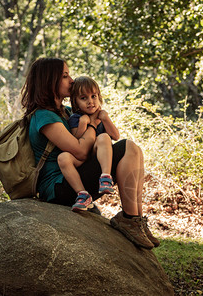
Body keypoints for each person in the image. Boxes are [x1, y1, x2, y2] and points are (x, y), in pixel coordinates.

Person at [21, 57, 159, 249]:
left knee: (134, 150)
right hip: (60, 187)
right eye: (65, 76)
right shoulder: (44, 116)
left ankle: (136, 219)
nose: (71, 80)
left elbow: (102, 137)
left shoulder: (66, 112)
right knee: (127, 147)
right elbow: (80, 152)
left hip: (74, 177)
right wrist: (93, 124)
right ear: (49, 81)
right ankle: (129, 219)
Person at [57, 76, 119, 212]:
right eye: (84, 98)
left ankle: (106, 177)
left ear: (99, 97)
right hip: (82, 156)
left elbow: (115, 136)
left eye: (93, 96)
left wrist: (105, 119)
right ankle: (82, 194)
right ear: (75, 101)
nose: (90, 102)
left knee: (103, 137)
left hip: (98, 154)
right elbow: (76, 139)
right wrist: (83, 124)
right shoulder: (76, 118)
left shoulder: (101, 115)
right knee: (63, 157)